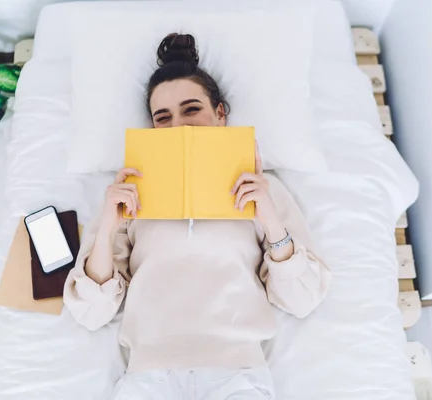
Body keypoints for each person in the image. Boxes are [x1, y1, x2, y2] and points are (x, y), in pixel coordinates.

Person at [64, 33, 331, 400]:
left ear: (220, 114)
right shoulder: (129, 191)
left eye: (192, 109)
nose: (179, 127)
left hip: (237, 374)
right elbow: (91, 313)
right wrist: (109, 225)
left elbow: (301, 300)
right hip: (148, 376)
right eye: (163, 117)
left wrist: (268, 216)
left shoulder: (263, 188)